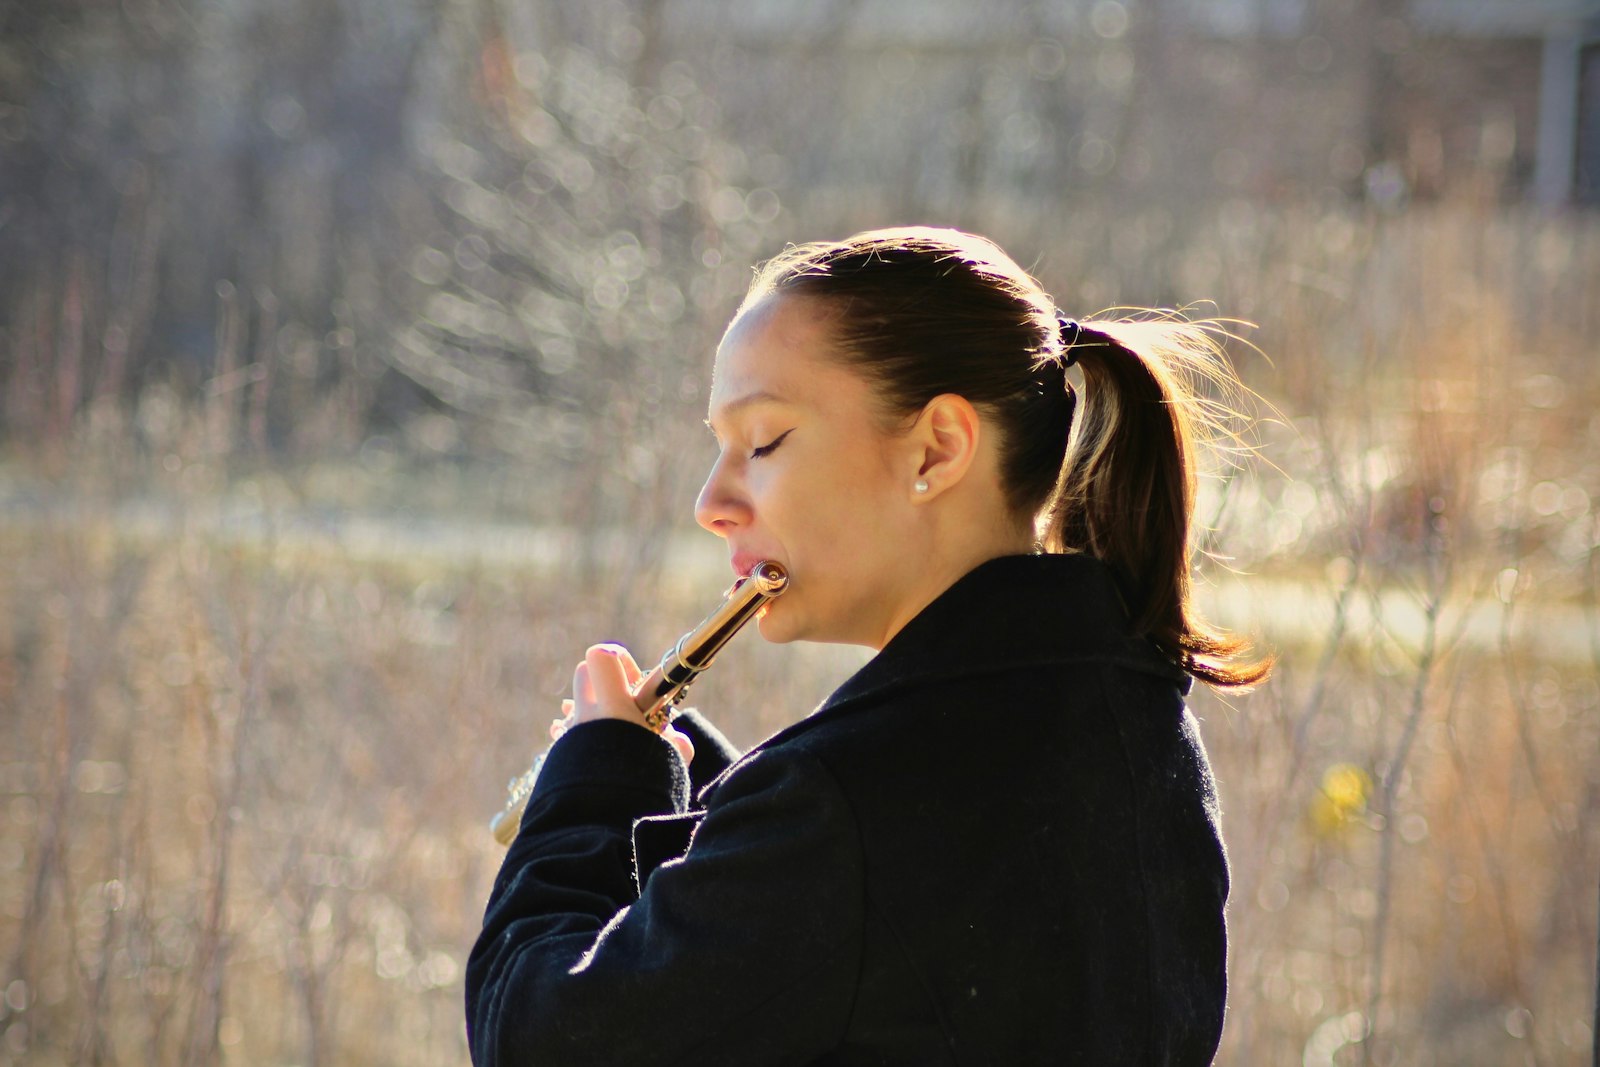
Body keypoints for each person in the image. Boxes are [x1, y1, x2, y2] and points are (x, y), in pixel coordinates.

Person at [466, 226, 1271, 1066]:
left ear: (938, 447)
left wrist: (588, 795)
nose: (712, 502)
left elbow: (538, 1037)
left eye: (764, 442)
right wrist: (678, 771)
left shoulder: (841, 808)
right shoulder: (1136, 721)